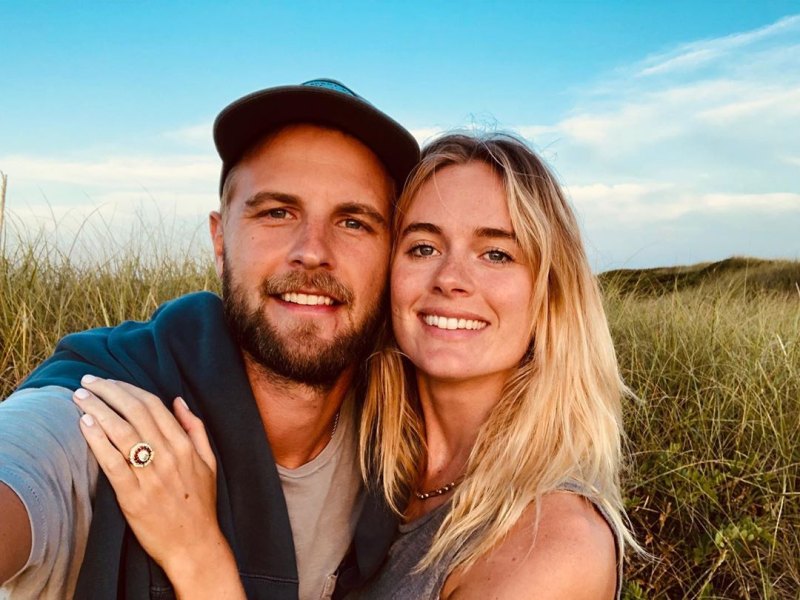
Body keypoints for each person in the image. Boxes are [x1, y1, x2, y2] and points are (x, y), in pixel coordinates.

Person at [72, 132, 637, 599]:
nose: (450, 279)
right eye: (422, 246)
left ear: (549, 292)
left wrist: (196, 556)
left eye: (496, 253)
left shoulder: (555, 546)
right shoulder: (380, 453)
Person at [0, 79, 419, 599]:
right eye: (277, 213)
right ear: (221, 241)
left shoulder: (404, 439)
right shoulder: (113, 401)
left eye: (353, 222)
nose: (312, 251)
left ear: (392, 259)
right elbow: (26, 454)